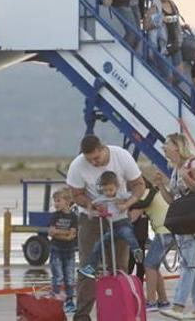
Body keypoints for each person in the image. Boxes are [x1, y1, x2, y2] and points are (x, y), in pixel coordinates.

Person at [66, 135, 144, 321]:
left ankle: (120, 309)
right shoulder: (78, 165)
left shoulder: (122, 156)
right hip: (92, 217)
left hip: (118, 217)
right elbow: (76, 194)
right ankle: (82, 314)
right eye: (89, 159)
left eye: (96, 158)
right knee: (88, 264)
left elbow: (139, 185)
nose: (93, 162)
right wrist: (90, 204)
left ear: (102, 149)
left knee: (119, 265)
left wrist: (129, 204)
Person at [153, 133, 195, 320]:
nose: (164, 147)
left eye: (167, 144)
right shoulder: (176, 169)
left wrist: (188, 178)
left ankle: (178, 306)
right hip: (183, 223)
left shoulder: (194, 164)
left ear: (178, 146)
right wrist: (161, 186)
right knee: (191, 266)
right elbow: (173, 200)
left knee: (188, 265)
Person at [78, 171, 144, 279]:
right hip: (112, 227)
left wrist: (125, 204)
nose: (108, 193)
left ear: (117, 186)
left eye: (110, 190)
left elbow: (134, 197)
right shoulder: (103, 198)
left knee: (128, 235)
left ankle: (137, 252)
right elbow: (92, 204)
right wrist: (91, 212)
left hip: (123, 224)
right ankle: (90, 267)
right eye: (105, 190)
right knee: (99, 245)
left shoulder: (121, 194)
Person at [130, 174, 172, 312]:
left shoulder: (144, 194)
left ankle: (151, 302)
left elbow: (132, 218)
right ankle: (163, 300)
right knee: (154, 266)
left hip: (163, 232)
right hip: (169, 231)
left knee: (148, 265)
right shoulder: (153, 192)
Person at [144, 0, 186, 80]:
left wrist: (182, 27)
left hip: (175, 43)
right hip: (163, 46)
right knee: (168, 77)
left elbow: (175, 21)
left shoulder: (172, 4)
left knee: (180, 75)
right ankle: (168, 91)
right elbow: (146, 26)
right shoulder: (155, 7)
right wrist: (160, 21)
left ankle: (172, 92)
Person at [48, 187, 78, 313]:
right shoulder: (55, 215)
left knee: (69, 277)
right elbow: (51, 232)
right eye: (54, 201)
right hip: (56, 249)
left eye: (58, 201)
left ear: (67, 201)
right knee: (57, 275)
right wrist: (65, 233)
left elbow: (72, 235)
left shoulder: (73, 217)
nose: (55, 204)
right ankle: (55, 297)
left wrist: (59, 233)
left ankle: (69, 301)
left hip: (69, 251)